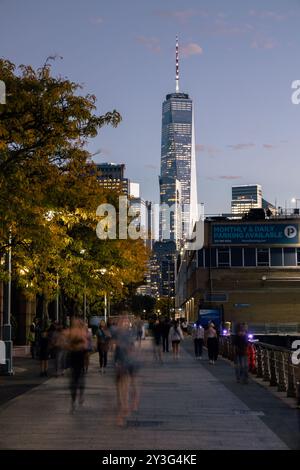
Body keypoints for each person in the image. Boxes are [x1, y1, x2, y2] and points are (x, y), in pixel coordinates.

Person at [114, 316, 141, 426]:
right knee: (120, 386)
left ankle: (125, 409)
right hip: (120, 362)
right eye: (122, 321)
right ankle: (125, 406)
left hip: (128, 363)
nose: (124, 323)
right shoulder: (118, 333)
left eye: (126, 322)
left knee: (126, 386)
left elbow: (131, 348)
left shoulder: (129, 334)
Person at [65, 318, 88, 413]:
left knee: (80, 380)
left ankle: (80, 396)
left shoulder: (82, 332)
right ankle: (73, 401)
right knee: (73, 382)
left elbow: (85, 346)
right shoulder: (70, 332)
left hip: (80, 358)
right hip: (73, 358)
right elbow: (66, 343)